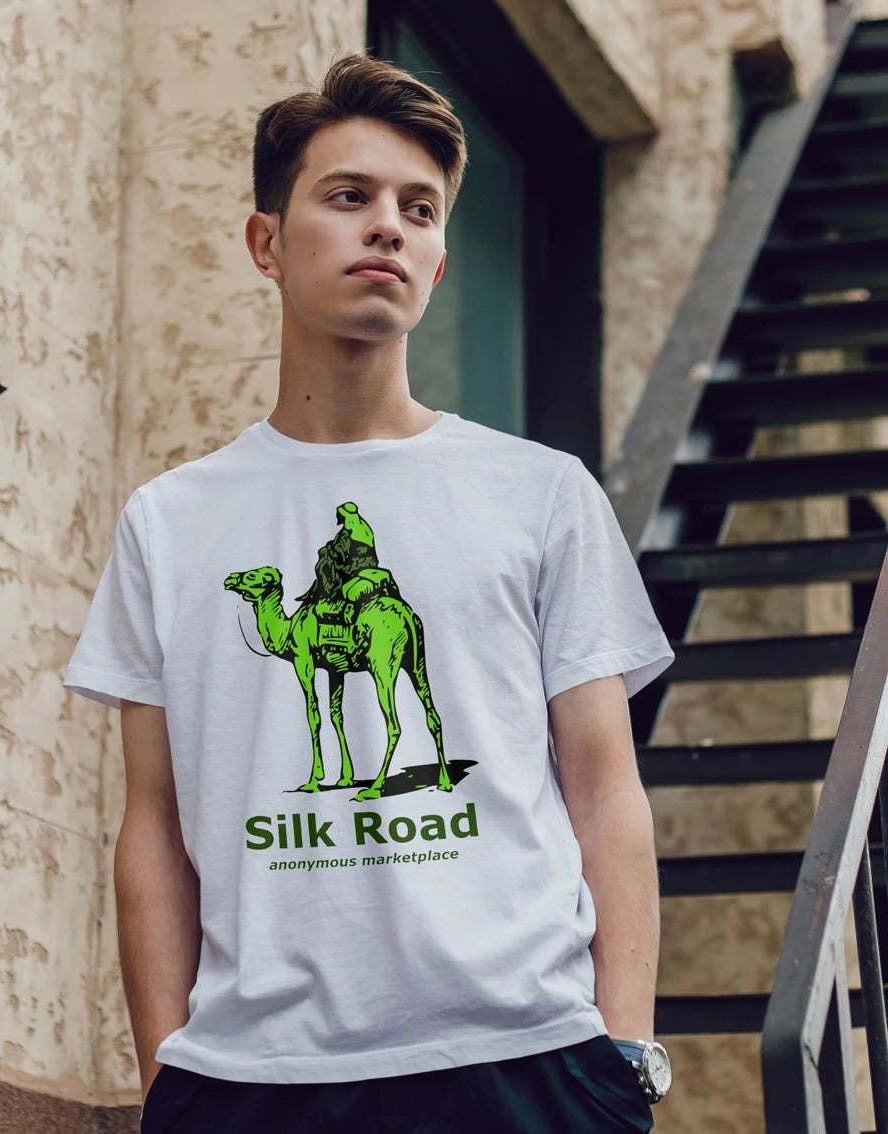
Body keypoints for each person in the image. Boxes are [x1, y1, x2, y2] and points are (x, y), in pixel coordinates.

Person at [64, 53, 675, 1133]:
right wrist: (167, 1083)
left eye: (418, 209)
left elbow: (604, 788)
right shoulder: (171, 521)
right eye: (349, 197)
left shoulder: (541, 496)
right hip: (250, 1082)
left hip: (522, 1063)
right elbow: (152, 825)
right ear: (268, 241)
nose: (386, 226)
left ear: (437, 262)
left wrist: (621, 1054)